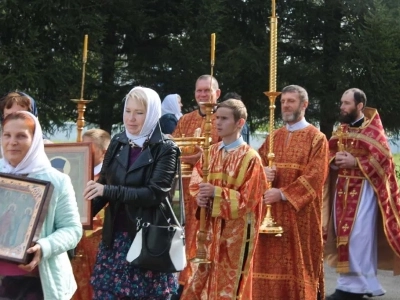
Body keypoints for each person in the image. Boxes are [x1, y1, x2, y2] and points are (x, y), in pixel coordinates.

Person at [84, 86, 180, 299]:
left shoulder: (166, 148)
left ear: (152, 113)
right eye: (128, 111)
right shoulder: (118, 142)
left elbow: (154, 194)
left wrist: (108, 189)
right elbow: (102, 186)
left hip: (147, 240)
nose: (131, 118)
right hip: (114, 240)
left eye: (139, 112)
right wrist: (78, 214)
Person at [180, 99, 267, 299]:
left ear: (240, 123)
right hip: (209, 231)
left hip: (235, 235)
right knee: (199, 283)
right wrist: (200, 196)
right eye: (217, 117)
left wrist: (215, 193)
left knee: (229, 287)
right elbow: (196, 182)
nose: (217, 122)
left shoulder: (251, 158)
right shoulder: (210, 153)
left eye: (224, 118)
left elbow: (248, 200)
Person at [252, 85, 329, 300]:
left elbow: (315, 177)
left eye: (291, 101)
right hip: (272, 214)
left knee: (299, 268)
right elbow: (255, 165)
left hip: (300, 217)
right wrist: (262, 172)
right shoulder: (274, 136)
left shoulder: (317, 138)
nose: (285, 105)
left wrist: (283, 194)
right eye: (283, 101)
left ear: (304, 105)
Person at [323, 88, 400, 300]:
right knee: (342, 235)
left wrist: (355, 162)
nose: (342, 107)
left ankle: (355, 287)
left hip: (364, 191)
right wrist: (334, 161)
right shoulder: (341, 130)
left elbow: (385, 161)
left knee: (359, 237)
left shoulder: (374, 131)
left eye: (346, 103)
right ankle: (351, 285)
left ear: (359, 106)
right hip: (342, 190)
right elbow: (329, 152)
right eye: (341, 103)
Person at [0, 111, 82, 300]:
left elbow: (72, 229)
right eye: (7, 135)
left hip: (36, 283)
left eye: (21, 136)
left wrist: (44, 247)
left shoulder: (56, 180)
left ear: (35, 140)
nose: (12, 141)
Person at [171, 75, 221, 296]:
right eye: (199, 91)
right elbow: (173, 149)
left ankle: (203, 286)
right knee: (181, 239)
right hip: (182, 191)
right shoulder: (185, 120)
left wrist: (202, 159)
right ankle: (181, 284)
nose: (203, 95)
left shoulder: (223, 118)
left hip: (208, 192)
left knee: (205, 241)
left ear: (217, 94)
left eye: (207, 91)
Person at [71, 128, 111, 300]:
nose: (83, 149)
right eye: (81, 145)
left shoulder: (108, 176)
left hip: (97, 240)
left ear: (103, 152)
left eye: (89, 146)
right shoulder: (74, 171)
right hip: (74, 238)